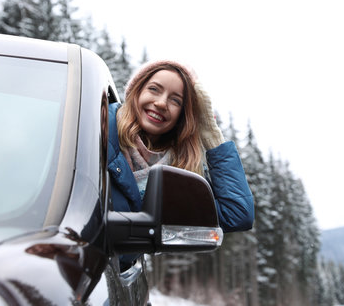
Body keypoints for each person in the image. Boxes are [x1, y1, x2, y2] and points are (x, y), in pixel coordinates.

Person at [107, 60, 254, 238]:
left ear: (183, 117)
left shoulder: (176, 176)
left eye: (175, 100)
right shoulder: (98, 130)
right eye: (154, 89)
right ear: (137, 92)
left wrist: (210, 133)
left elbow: (237, 215)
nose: (161, 103)